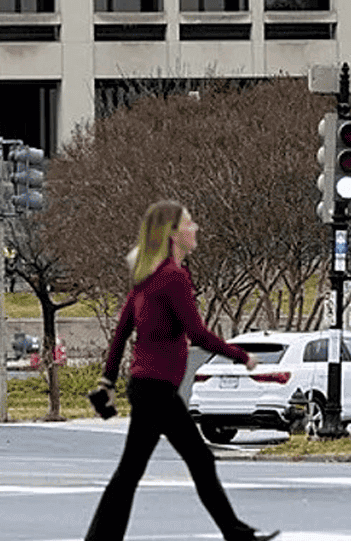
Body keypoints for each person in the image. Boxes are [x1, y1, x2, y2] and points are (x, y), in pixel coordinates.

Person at [84, 201, 276, 541]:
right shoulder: (172, 277)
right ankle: (236, 534)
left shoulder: (146, 280)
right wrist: (240, 356)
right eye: (189, 223)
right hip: (156, 389)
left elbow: (120, 333)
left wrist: (108, 379)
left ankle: (236, 533)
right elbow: (196, 332)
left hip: (148, 387)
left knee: (151, 468)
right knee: (188, 461)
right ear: (174, 234)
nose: (196, 228)